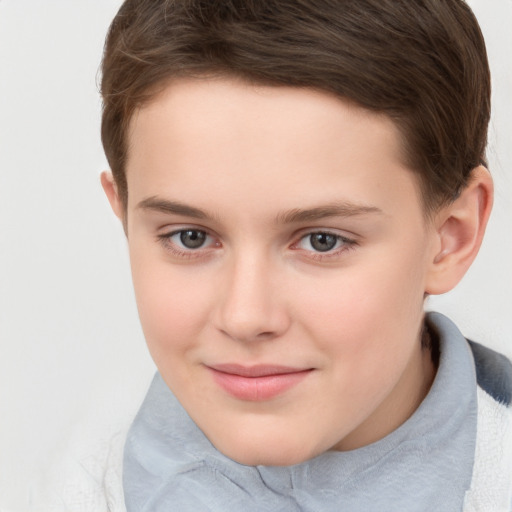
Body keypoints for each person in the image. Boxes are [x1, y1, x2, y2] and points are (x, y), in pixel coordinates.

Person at [34, 0, 512, 510]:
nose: (245, 317)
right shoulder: (81, 485)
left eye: (322, 241)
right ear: (125, 218)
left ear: (451, 237)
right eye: (190, 237)